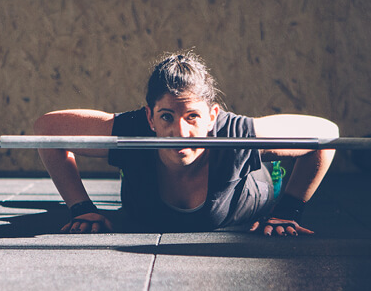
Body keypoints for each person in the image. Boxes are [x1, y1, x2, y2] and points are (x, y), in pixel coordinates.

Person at [33, 51, 338, 236]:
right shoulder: (132, 130)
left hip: (261, 181)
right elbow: (46, 129)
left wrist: (289, 210)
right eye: (167, 117)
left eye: (192, 116)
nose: (180, 130)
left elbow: (327, 134)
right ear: (150, 118)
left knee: (270, 170)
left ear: (212, 117)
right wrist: (81, 208)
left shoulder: (237, 134)